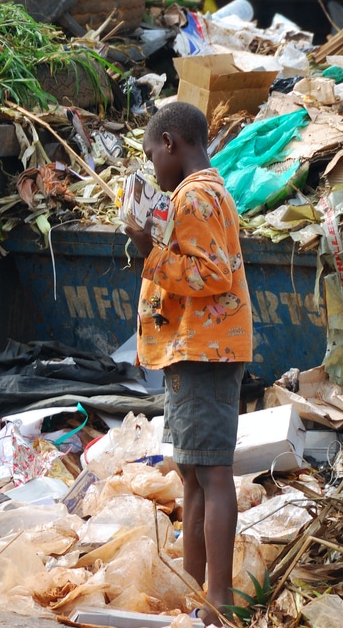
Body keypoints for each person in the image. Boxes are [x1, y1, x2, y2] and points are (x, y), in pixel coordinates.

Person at [123, 102, 253, 626]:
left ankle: (217, 599)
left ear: (171, 143)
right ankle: (194, 590)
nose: (153, 164)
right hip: (195, 350)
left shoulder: (195, 196)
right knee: (194, 476)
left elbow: (213, 275)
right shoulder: (201, 192)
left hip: (204, 351)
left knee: (213, 475)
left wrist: (147, 251)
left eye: (153, 153)